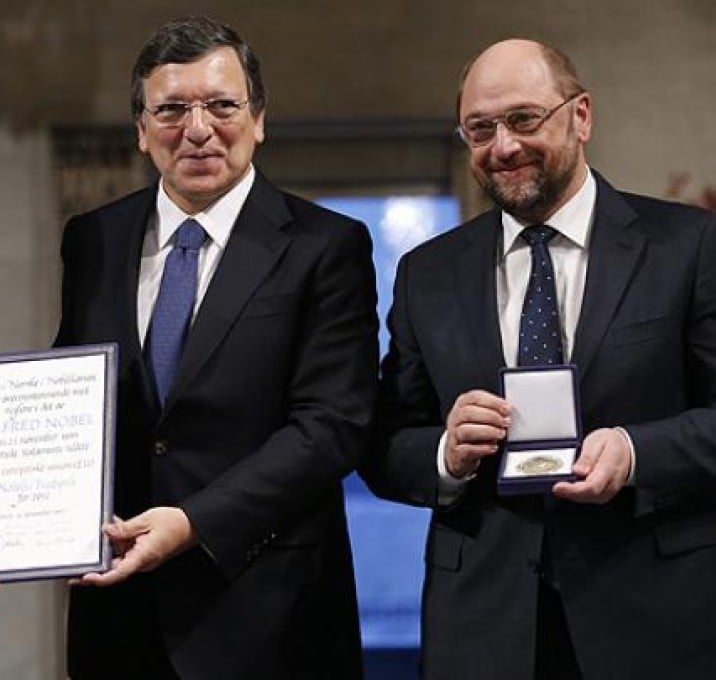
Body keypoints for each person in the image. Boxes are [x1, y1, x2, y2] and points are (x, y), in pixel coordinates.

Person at [363, 38, 716, 679]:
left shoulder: (688, 247)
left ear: (580, 116)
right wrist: (445, 452)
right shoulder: (426, 274)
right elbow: (383, 441)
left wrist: (637, 452)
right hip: (482, 629)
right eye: (480, 129)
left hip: (656, 620)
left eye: (524, 120)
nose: (503, 146)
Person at [56, 15, 377, 679]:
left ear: (258, 119)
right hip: (119, 617)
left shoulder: (325, 247)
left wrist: (194, 521)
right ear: (142, 130)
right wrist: (2, 402)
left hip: (270, 614)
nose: (197, 128)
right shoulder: (94, 240)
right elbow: (81, 393)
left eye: (221, 105)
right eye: (171, 108)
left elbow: (331, 427)